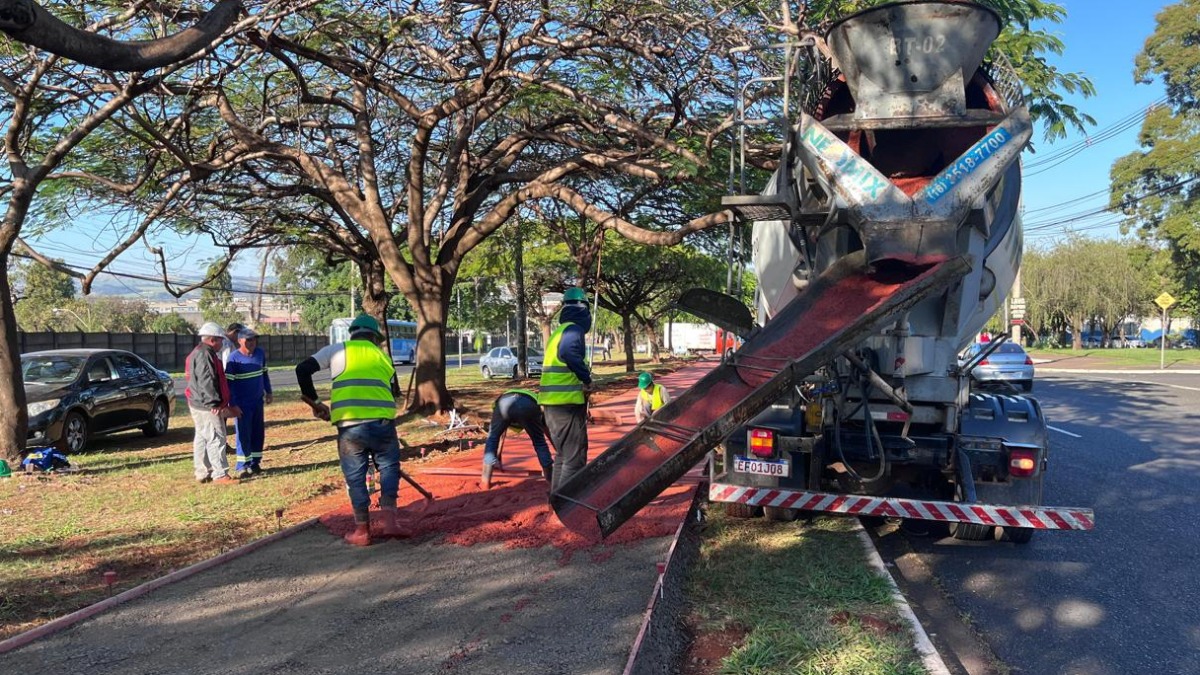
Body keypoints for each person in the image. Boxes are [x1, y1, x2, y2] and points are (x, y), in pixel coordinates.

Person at [295, 314, 405, 546]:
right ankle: (390, 522)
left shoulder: (336, 350)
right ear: (374, 337)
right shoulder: (383, 357)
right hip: (383, 424)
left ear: (352, 333)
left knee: (355, 475)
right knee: (388, 468)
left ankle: (362, 531)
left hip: (350, 426)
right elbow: (391, 389)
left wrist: (316, 402)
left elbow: (302, 370)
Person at [539, 287, 593, 492]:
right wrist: (586, 379)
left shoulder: (559, 332)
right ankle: (569, 506)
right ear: (583, 309)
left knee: (563, 455)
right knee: (575, 458)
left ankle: (556, 502)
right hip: (565, 404)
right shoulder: (573, 330)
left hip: (552, 404)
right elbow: (569, 353)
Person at [187, 322, 242, 484]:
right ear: (212, 340)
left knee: (202, 437)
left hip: (198, 403)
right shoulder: (206, 355)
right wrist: (214, 404)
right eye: (220, 340)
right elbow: (207, 380)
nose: (222, 344)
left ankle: (203, 471)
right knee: (217, 437)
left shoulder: (198, 352)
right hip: (207, 405)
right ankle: (220, 474)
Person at [481, 389, 555, 489]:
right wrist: (559, 450)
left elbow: (499, 435)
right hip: (527, 406)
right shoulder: (538, 403)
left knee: (492, 439)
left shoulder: (500, 402)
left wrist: (497, 456)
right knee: (539, 442)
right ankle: (550, 480)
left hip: (503, 403)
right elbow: (547, 431)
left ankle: (485, 481)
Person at [226, 328, 273, 477]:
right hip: (242, 404)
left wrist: (269, 391)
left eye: (254, 339)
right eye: (248, 340)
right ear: (240, 341)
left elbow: (264, 374)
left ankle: (255, 463)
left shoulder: (260, 354)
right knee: (243, 434)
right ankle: (242, 466)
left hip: (257, 402)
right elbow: (229, 384)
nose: (252, 343)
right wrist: (232, 404)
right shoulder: (233, 358)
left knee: (258, 433)